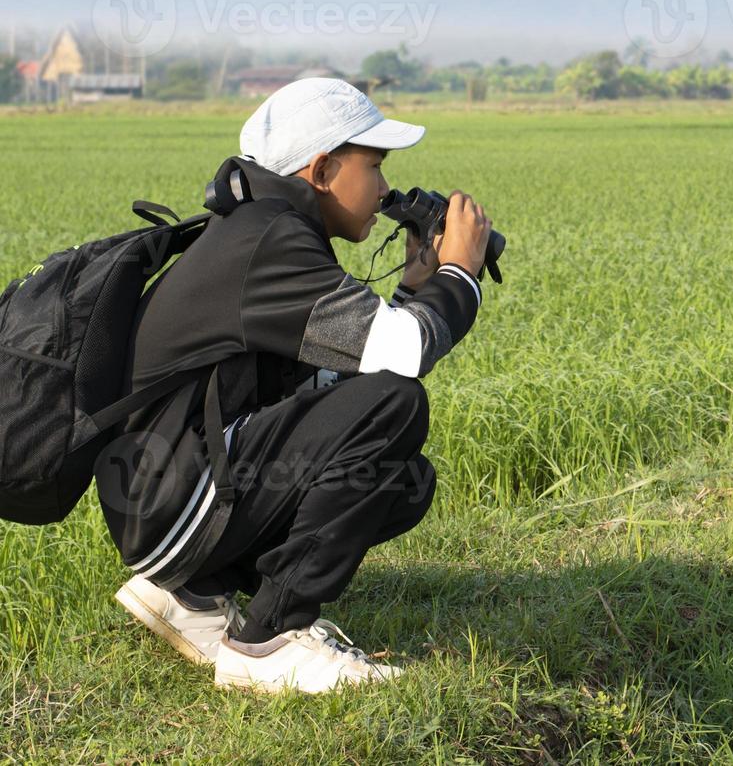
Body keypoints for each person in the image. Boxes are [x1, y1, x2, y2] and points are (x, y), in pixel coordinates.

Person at [95, 77, 493, 694]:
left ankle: (196, 595)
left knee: (403, 481)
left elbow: (340, 378)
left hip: (160, 494)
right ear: (324, 168)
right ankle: (268, 643)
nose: (386, 189)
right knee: (395, 405)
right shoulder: (272, 240)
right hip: (172, 498)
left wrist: (417, 288)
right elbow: (402, 360)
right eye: (376, 166)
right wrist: (458, 274)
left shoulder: (263, 227)